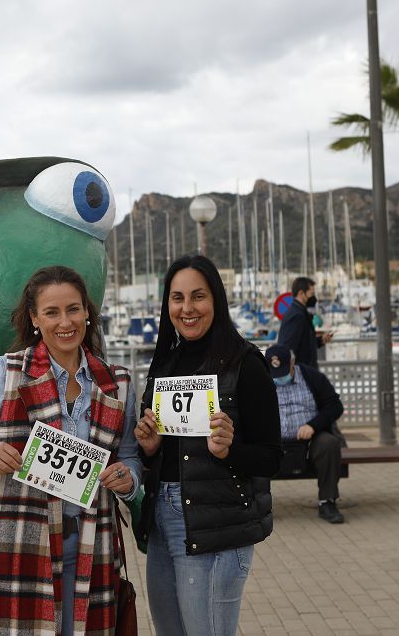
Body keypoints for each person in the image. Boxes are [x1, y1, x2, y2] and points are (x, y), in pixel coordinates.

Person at [0, 265, 141, 635]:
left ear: (87, 312)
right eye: (52, 312)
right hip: (16, 543)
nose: (64, 321)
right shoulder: (7, 371)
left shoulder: (117, 382)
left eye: (73, 309)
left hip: (92, 542)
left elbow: (130, 456)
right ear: (35, 319)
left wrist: (129, 479)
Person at [134, 255, 282, 636]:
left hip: (216, 529)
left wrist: (230, 450)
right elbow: (161, 451)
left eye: (198, 296)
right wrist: (150, 448)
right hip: (163, 522)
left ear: (216, 299)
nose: (187, 308)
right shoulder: (164, 363)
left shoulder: (246, 364)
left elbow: (272, 458)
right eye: (177, 298)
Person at [265, 344, 346, 524]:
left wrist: (313, 425)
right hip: (273, 441)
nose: (279, 378)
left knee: (329, 444)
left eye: (284, 372)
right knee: (251, 448)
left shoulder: (311, 377)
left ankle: (327, 501)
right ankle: (259, 507)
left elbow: (335, 406)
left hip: (308, 441)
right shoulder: (260, 380)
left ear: (292, 363)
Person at [277, 276, 332, 368]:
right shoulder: (296, 316)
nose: (314, 298)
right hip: (301, 374)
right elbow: (288, 347)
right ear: (301, 293)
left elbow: (304, 343)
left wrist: (321, 340)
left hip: (306, 372)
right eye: (311, 294)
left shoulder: (300, 312)